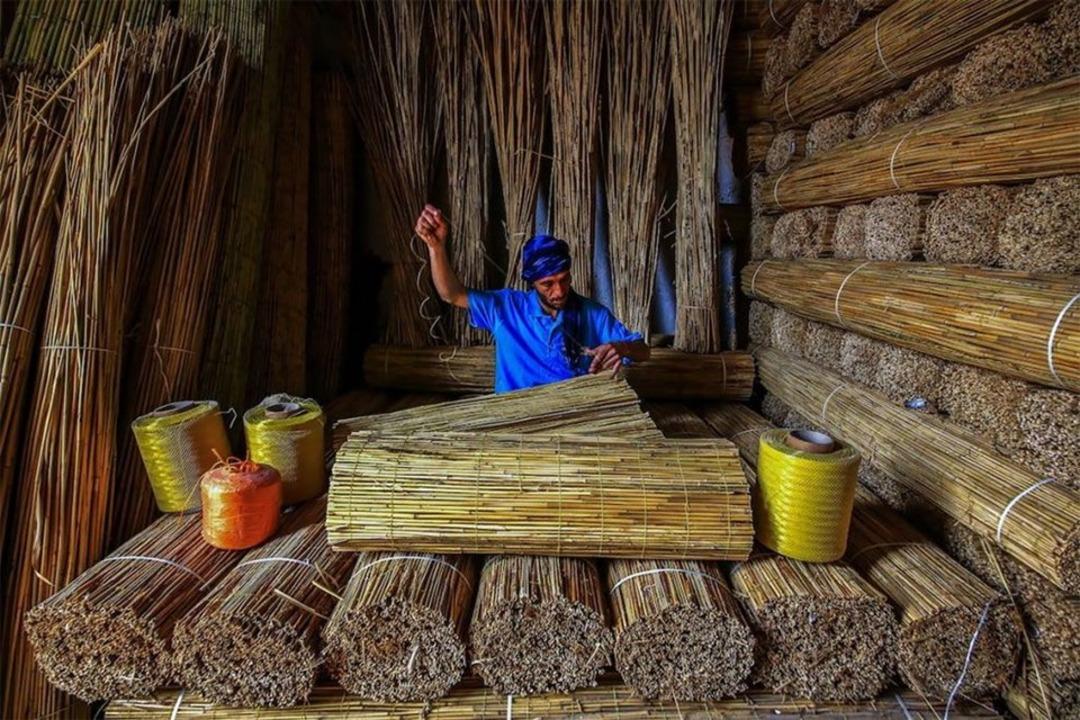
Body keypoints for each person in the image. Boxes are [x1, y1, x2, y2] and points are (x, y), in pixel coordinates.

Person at [414, 204, 651, 393]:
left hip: (572, 420)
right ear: (532, 282)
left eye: (564, 279)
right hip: (517, 422)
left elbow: (644, 351)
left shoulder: (592, 313)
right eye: (547, 284)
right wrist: (436, 248)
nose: (559, 291)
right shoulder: (506, 309)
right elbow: (451, 294)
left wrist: (623, 347)